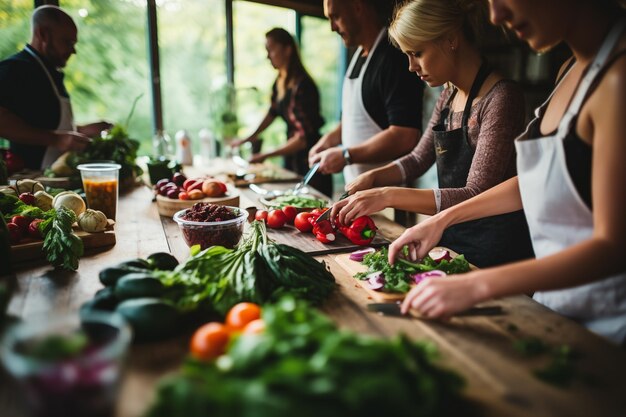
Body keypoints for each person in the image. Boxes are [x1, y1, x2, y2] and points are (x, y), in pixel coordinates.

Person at [390, 0, 626, 345]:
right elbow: (536, 183)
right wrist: (440, 220)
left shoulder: (618, 80)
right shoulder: (567, 72)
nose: (495, 16)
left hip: (606, 331)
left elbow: (613, 247)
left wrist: (478, 283)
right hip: (554, 311)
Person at [331, 0, 533, 268]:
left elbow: (474, 193)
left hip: (496, 253)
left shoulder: (501, 98)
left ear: (451, 40)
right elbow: (418, 159)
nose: (411, 66)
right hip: (451, 238)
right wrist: (372, 177)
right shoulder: (448, 95)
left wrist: (386, 195)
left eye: (416, 52)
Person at [308, 0, 424, 185]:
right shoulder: (358, 56)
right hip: (356, 189)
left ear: (357, 7)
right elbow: (356, 118)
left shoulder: (394, 57)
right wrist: (330, 139)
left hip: (389, 195)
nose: (332, 27)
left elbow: (405, 136)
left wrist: (347, 155)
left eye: (336, 17)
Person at [0, 5, 111, 170]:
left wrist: (81, 130)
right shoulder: (15, 68)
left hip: (54, 177)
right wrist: (56, 140)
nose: (73, 50)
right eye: (67, 42)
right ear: (42, 34)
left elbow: (44, 123)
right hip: (30, 180)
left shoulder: (49, 71)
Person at [231, 28, 332, 197]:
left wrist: (266, 154)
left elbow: (302, 139)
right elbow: (272, 113)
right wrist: (248, 137)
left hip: (311, 160)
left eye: (271, 49)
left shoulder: (303, 86)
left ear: (287, 49)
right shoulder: (279, 82)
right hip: (291, 161)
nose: (268, 56)